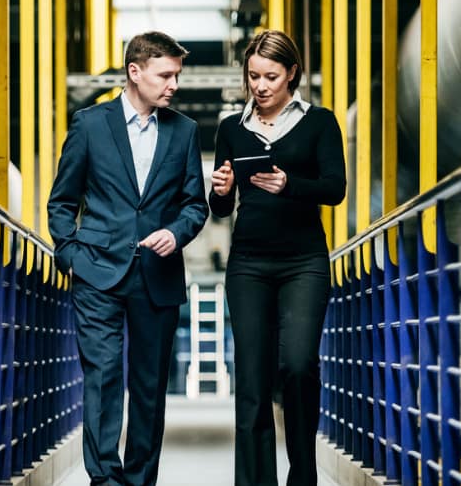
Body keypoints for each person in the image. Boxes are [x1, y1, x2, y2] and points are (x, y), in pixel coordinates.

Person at [48, 31, 209, 486]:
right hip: (97, 271)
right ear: (134, 72)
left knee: (149, 388)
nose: (174, 84)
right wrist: (70, 255)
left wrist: (175, 234)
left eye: (177, 75)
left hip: (157, 276)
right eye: (166, 75)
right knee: (101, 378)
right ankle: (105, 480)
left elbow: (195, 205)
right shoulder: (89, 124)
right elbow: (62, 201)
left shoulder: (185, 131)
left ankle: (140, 480)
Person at [208, 30, 345, 486]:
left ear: (291, 75)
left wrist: (291, 185)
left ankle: (302, 475)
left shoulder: (320, 122)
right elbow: (223, 209)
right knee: (251, 378)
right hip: (248, 263)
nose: (260, 86)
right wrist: (220, 191)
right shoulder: (231, 128)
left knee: (299, 365)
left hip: (303, 260)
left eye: (270, 76)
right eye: (253, 76)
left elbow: (335, 188)